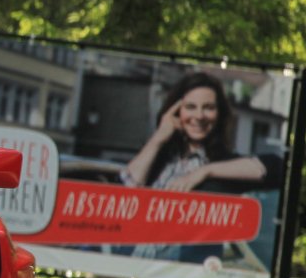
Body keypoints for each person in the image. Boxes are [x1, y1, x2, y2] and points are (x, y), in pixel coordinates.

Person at [120, 71, 284, 194]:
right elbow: (125, 191)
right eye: (190, 107)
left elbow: (276, 168)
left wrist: (204, 172)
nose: (199, 116)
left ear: (219, 114)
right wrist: (158, 138)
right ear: (175, 111)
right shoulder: (159, 160)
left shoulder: (223, 165)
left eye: (208, 108)